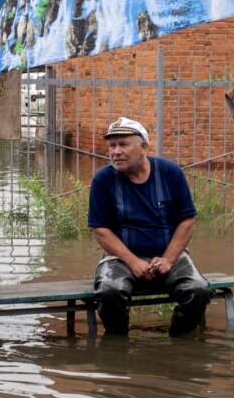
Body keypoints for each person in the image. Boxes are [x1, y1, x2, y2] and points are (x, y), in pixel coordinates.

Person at [87, 116, 210, 336]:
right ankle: (117, 347)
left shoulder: (170, 172)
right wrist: (133, 261)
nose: (116, 151)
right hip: (121, 259)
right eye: (112, 146)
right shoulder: (103, 179)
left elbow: (187, 220)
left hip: (169, 255)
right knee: (109, 291)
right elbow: (101, 230)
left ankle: (177, 345)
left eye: (123, 144)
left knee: (198, 290)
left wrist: (169, 259)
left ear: (143, 146)